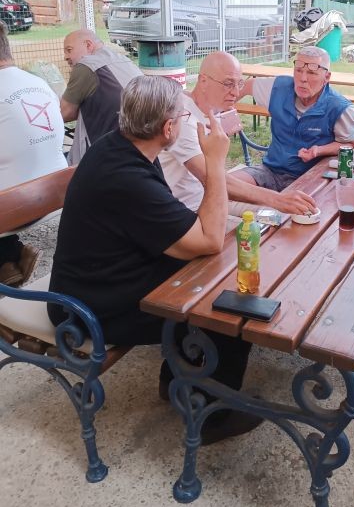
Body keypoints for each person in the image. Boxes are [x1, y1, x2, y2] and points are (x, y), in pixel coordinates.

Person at [49, 75, 260, 444]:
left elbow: (177, 232)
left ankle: (176, 378)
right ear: (167, 128)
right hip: (88, 307)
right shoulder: (127, 176)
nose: (186, 120)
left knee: (214, 274)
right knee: (229, 308)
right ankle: (214, 417)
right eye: (183, 116)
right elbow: (209, 239)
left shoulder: (120, 146)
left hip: (106, 274)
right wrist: (215, 162)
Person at [159, 51, 316, 218]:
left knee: (283, 216)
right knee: (278, 220)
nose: (235, 92)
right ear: (203, 81)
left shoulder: (210, 109)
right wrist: (279, 200)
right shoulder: (183, 121)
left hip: (210, 199)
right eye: (228, 83)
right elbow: (213, 179)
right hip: (189, 212)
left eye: (239, 84)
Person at [232, 46, 354, 192]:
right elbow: (244, 86)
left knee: (290, 204)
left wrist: (318, 150)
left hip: (310, 178)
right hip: (269, 171)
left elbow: (348, 143)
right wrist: (219, 114)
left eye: (311, 73)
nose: (303, 79)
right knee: (222, 184)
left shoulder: (339, 107)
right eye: (298, 71)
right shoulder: (277, 88)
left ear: (326, 77)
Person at [0, 22, 67, 286]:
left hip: (16, 204)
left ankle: (8, 259)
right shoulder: (37, 82)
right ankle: (9, 260)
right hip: (54, 189)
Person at [60, 29, 141, 164]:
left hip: (102, 155)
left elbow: (65, 113)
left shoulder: (86, 66)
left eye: (69, 50)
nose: (66, 57)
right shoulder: (124, 60)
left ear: (88, 45)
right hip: (136, 145)